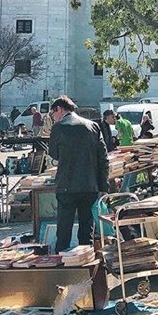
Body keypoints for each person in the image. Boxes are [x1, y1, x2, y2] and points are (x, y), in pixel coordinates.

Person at [48, 95, 109, 253]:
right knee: (86, 231)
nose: (53, 118)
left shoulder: (59, 127)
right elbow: (103, 158)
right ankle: (87, 263)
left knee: (64, 231)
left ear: (59, 109)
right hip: (89, 185)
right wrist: (103, 186)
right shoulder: (93, 126)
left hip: (66, 185)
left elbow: (54, 154)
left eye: (52, 114)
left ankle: (63, 265)